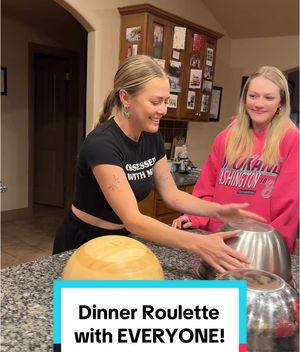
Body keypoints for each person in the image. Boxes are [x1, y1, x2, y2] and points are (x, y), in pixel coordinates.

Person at [53, 55, 265, 273]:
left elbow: (172, 194)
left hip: (120, 240)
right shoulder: (102, 144)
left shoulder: (151, 136)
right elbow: (133, 220)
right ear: (125, 98)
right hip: (83, 242)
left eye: (166, 101)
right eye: (156, 102)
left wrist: (218, 211)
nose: (163, 110)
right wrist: (198, 243)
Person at [172, 66, 299, 252]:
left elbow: (289, 207)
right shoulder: (226, 137)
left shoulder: (292, 140)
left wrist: (274, 248)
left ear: (281, 102)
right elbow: (206, 188)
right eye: (253, 96)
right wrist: (194, 217)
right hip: (217, 239)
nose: (258, 103)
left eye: (269, 97)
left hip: (260, 244)